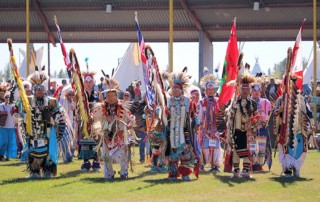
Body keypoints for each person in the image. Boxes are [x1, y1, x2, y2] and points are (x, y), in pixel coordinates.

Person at [24, 67, 66, 178]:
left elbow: (59, 113)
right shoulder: (28, 100)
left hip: (47, 130)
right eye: (37, 89)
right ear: (34, 90)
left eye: (41, 89)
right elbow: (21, 112)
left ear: (44, 89)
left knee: (48, 151)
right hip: (33, 130)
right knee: (34, 149)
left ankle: (48, 171)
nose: (39, 91)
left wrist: (51, 118)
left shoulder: (52, 101)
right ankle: (35, 171)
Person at [92, 76, 136, 179]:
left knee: (122, 156)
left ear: (116, 96)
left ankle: (123, 172)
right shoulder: (101, 107)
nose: (110, 98)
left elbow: (131, 117)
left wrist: (130, 124)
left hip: (120, 134)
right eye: (108, 95)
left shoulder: (123, 107)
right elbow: (93, 116)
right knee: (106, 156)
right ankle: (109, 173)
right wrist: (89, 117)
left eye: (112, 95)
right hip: (107, 135)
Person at [273, 76, 315, 177]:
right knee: (286, 149)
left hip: (299, 130)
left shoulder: (302, 99)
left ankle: (296, 168)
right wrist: (279, 111)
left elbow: (309, 113)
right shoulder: (281, 99)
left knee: (298, 149)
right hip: (285, 130)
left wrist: (311, 125)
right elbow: (274, 112)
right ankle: (287, 169)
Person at [167, 69, 197, 181]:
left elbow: (193, 114)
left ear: (181, 90)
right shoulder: (169, 101)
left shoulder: (187, 100)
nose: (174, 90)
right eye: (173, 88)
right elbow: (165, 114)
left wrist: (196, 123)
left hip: (184, 130)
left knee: (185, 152)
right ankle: (173, 174)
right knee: (173, 152)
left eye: (176, 89)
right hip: (172, 130)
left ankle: (185, 174)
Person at [228, 74, 258, 178]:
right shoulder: (235, 101)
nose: (245, 91)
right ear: (240, 89)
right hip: (237, 130)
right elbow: (229, 115)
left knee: (247, 149)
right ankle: (236, 170)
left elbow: (256, 116)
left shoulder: (253, 103)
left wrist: (254, 125)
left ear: (250, 90)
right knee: (236, 149)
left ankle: (246, 170)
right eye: (243, 88)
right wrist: (230, 113)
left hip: (248, 131)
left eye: (247, 89)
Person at [196, 74, 223, 172]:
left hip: (215, 129)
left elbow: (221, 114)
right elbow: (198, 115)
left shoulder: (218, 101)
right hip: (204, 130)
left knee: (215, 147)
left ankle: (215, 165)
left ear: (215, 91)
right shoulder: (201, 102)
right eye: (209, 90)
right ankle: (202, 163)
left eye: (212, 90)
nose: (211, 91)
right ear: (205, 91)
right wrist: (198, 124)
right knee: (204, 146)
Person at [78, 70, 101, 171]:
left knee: (96, 140)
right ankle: (86, 162)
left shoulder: (98, 94)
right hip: (84, 121)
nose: (88, 84)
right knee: (85, 141)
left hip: (95, 121)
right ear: (84, 83)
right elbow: (77, 106)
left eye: (90, 82)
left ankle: (96, 161)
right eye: (86, 82)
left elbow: (101, 106)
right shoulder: (80, 94)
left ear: (93, 82)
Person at [251, 84, 272, 172]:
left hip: (262, 127)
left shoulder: (265, 102)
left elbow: (270, 111)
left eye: (257, 91)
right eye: (254, 91)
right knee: (252, 147)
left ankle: (259, 165)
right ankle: (253, 164)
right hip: (251, 128)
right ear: (251, 92)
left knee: (262, 147)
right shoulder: (248, 102)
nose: (256, 92)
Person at [0, 91, 17, 161]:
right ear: (4, 98)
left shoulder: (13, 106)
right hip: (3, 126)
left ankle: (8, 156)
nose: (7, 98)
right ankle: (1, 154)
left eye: (9, 97)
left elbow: (16, 115)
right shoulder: (1, 105)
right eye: (6, 97)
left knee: (10, 142)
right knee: (4, 141)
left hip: (11, 126)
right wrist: (4, 112)